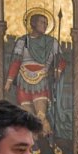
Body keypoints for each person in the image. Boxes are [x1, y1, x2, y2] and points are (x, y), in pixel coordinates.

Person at [5, 10, 67, 142]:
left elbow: (61, 60)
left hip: (41, 81)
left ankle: (49, 141)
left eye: (46, 23)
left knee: (41, 116)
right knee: (28, 118)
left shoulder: (52, 42)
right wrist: (9, 81)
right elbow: (16, 61)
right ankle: (33, 147)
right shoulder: (23, 41)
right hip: (23, 82)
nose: (45, 25)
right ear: (33, 23)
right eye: (42, 22)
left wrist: (58, 70)